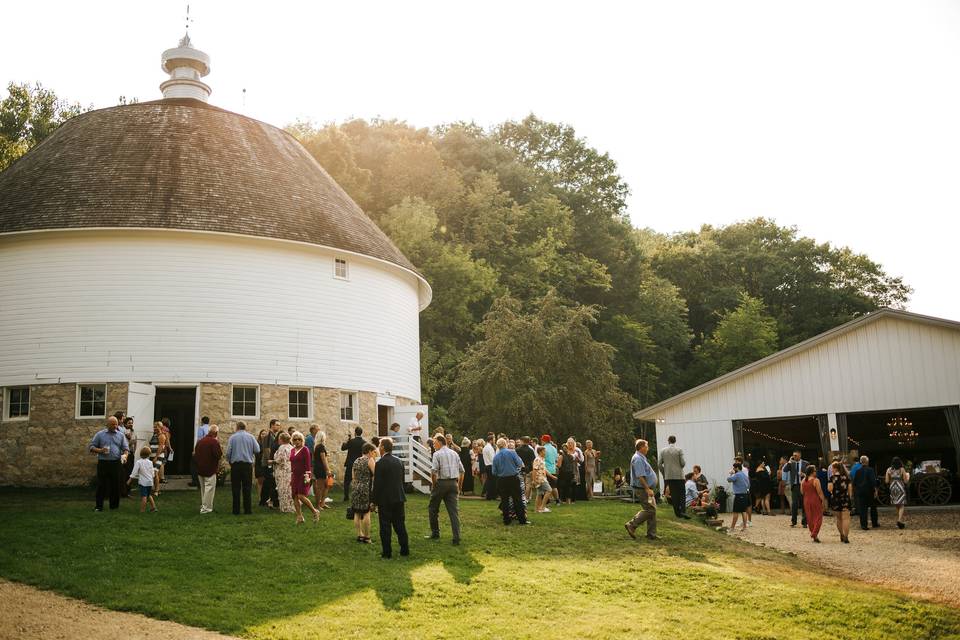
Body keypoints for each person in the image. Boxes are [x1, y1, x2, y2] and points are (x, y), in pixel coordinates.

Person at [372, 438, 409, 558]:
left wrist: (374, 501)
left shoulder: (380, 463)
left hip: (385, 499)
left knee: (385, 526)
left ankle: (387, 552)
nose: (378, 448)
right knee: (400, 525)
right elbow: (402, 481)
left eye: (379, 445)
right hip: (398, 497)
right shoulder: (399, 461)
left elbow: (377, 484)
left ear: (382, 447)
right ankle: (405, 550)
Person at [427, 434, 464, 544]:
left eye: (434, 443)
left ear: (439, 442)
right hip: (453, 483)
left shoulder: (437, 454)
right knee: (454, 512)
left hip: (441, 483)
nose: (433, 445)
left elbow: (433, 472)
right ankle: (456, 537)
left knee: (432, 508)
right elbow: (462, 471)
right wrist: (460, 486)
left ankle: (435, 533)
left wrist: (434, 485)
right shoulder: (454, 453)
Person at [89, 416, 129, 512]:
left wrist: (125, 456)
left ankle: (114, 506)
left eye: (116, 424)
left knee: (115, 485)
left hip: (116, 463)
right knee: (101, 485)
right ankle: (99, 506)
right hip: (103, 463)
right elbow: (91, 447)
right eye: (112, 424)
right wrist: (100, 450)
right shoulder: (100, 434)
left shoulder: (121, 435)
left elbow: (126, 449)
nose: (115, 426)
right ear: (107, 424)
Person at [624, 439, 659, 540]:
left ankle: (651, 534)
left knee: (652, 510)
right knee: (650, 510)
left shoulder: (641, 457)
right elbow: (640, 476)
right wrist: (647, 488)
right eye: (646, 446)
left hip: (646, 488)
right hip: (642, 488)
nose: (648, 448)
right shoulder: (638, 459)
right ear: (642, 447)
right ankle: (632, 524)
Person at [225, 421, 260, 515]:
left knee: (235, 488)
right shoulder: (251, 437)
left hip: (235, 465)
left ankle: (236, 510)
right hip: (247, 465)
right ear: (245, 427)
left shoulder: (232, 437)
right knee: (247, 487)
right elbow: (257, 449)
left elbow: (228, 452)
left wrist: (229, 461)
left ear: (237, 427)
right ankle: (247, 510)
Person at [492, 438, 528, 525]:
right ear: (506, 444)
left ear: (497, 446)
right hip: (513, 478)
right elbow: (519, 463)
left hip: (502, 480)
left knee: (505, 500)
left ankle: (506, 519)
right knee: (517, 499)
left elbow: (494, 472)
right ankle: (522, 520)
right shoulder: (512, 452)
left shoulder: (496, 457)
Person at [289, 431, 320, 524]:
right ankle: (299, 517)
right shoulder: (292, 450)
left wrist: (308, 477)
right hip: (294, 475)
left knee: (301, 496)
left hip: (303, 475)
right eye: (295, 439)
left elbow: (308, 464)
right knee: (294, 496)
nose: (297, 441)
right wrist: (291, 476)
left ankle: (315, 511)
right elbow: (292, 464)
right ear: (292, 441)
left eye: (299, 439)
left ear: (302, 440)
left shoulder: (305, 449)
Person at [351, 443, 377, 543]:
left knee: (357, 512)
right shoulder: (369, 460)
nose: (374, 453)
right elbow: (376, 473)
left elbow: (353, 476)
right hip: (366, 488)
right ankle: (367, 537)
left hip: (356, 487)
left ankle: (359, 535)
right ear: (369, 451)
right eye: (373, 451)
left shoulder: (356, 460)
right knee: (366, 512)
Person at [194, 424, 222, 514]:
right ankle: (206, 508)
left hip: (200, 468)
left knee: (203, 489)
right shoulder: (214, 442)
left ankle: (204, 505)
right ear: (216, 433)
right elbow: (218, 455)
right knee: (209, 489)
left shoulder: (200, 441)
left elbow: (195, 454)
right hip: (210, 469)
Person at [659, 435, 689, 519]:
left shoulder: (663, 451)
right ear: (675, 441)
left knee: (674, 494)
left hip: (669, 476)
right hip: (679, 476)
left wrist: (664, 473)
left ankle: (677, 513)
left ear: (668, 441)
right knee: (682, 494)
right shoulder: (679, 450)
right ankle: (683, 511)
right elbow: (683, 463)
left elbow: (659, 464)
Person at [259, 419, 282, 508]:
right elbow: (267, 450)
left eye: (279, 425)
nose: (278, 426)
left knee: (267, 483)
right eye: (277, 425)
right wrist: (271, 462)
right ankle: (270, 501)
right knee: (271, 483)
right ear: (272, 425)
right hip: (268, 464)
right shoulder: (268, 436)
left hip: (270, 463)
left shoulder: (274, 436)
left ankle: (263, 501)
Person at [828, 460, 853, 543]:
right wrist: (849, 497)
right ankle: (846, 536)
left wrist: (833, 491)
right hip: (845, 499)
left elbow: (830, 489)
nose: (831, 470)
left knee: (839, 519)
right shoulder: (847, 477)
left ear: (835, 469)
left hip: (836, 499)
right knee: (846, 519)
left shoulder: (832, 478)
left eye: (832, 468)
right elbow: (850, 490)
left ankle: (841, 534)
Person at [127, 446, 157, 513]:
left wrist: (129, 480)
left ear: (140, 454)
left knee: (144, 496)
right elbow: (152, 473)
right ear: (149, 454)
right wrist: (152, 478)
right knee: (148, 495)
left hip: (143, 483)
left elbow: (134, 472)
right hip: (150, 482)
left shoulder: (139, 462)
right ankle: (153, 507)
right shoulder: (150, 462)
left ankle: (142, 510)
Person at [801, 464, 826, 543]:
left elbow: (802, 492)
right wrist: (823, 501)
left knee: (810, 517)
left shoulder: (803, 480)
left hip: (806, 500)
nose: (816, 472)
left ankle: (813, 533)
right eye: (815, 470)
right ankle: (814, 533)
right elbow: (819, 492)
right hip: (815, 500)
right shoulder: (816, 480)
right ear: (812, 472)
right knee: (818, 517)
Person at [781, 451, 807, 527]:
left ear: (800, 455)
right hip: (795, 486)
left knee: (804, 504)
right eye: (793, 455)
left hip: (803, 485)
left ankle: (804, 522)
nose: (794, 457)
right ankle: (794, 521)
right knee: (794, 504)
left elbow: (810, 474)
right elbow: (785, 470)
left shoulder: (805, 463)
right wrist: (789, 461)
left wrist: (804, 474)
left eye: (795, 455)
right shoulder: (791, 463)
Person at [853, 455, 879, 530]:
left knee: (863, 509)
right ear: (867, 462)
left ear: (861, 462)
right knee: (873, 508)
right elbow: (873, 481)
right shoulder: (870, 470)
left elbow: (854, 483)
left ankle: (864, 525)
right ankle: (874, 523)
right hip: (869, 492)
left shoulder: (858, 471)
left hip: (861, 492)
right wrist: (876, 490)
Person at [341, 426, 366, 502]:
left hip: (350, 463)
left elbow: (343, 448)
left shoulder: (351, 441)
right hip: (359, 463)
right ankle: (359, 496)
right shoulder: (364, 442)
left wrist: (347, 440)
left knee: (347, 481)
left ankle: (346, 496)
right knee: (359, 480)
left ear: (355, 433)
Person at [885, 457, 910, 529]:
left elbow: (886, 481)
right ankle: (899, 520)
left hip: (892, 487)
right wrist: (908, 477)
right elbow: (905, 481)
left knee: (896, 504)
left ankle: (899, 521)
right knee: (901, 505)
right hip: (900, 487)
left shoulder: (889, 470)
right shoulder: (902, 469)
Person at [274, 432, 295, 513]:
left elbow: (280, 460)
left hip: (283, 471)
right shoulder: (291, 447)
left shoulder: (282, 447)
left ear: (281, 439)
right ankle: (292, 506)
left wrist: (272, 461)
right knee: (290, 489)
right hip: (290, 470)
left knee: (283, 489)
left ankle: (285, 508)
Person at [727, 462, 750, 532]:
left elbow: (728, 479)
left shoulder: (737, 475)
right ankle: (745, 527)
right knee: (744, 511)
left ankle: (732, 528)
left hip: (739, 495)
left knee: (735, 512)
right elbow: (748, 485)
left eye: (734, 468)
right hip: (745, 494)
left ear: (737, 468)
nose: (733, 469)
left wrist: (731, 473)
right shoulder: (744, 475)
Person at [189, 416, 211, 487]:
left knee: (194, 464)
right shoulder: (210, 428)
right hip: (209, 450)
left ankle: (195, 481)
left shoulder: (201, 428)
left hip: (202, 449)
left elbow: (199, 440)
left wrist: (195, 450)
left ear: (202, 422)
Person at [312, 431, 331, 510]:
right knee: (320, 487)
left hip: (319, 467)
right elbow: (323, 459)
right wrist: (327, 470)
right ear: (323, 437)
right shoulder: (320, 447)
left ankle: (322, 503)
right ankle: (317, 505)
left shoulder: (318, 446)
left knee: (327, 485)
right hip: (321, 468)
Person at [557, 439, 579, 504]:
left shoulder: (561, 456)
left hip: (563, 473)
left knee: (561, 487)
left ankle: (562, 500)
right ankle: (568, 501)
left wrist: (556, 464)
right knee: (569, 487)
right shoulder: (571, 456)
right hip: (570, 473)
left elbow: (559, 465)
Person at [532, 446, 553, 513]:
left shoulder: (542, 459)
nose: (545, 452)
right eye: (544, 451)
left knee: (539, 494)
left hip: (542, 478)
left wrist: (551, 476)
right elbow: (534, 470)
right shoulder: (537, 459)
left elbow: (545, 469)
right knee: (549, 490)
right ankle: (542, 507)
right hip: (540, 479)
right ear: (540, 452)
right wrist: (534, 480)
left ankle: (536, 509)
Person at [516, 436, 536, 503]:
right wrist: (533, 470)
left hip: (519, 468)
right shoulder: (530, 450)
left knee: (519, 484)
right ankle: (526, 499)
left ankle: (519, 497)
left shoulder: (517, 449)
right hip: (528, 469)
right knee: (528, 484)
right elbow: (533, 461)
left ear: (522, 441)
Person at [121, 416, 137, 497]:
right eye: (129, 423)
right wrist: (131, 440)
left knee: (130, 473)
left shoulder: (132, 431)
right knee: (126, 473)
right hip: (126, 454)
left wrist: (134, 451)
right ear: (125, 424)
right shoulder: (125, 431)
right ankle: (124, 492)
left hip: (131, 454)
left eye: (131, 423)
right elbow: (128, 443)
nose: (131, 424)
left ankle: (128, 490)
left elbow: (135, 442)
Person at [481, 434, 497, 500]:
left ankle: (488, 494)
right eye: (494, 440)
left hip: (487, 465)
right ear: (491, 440)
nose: (494, 441)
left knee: (490, 480)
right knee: (492, 481)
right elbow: (492, 458)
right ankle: (490, 495)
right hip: (490, 465)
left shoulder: (485, 447)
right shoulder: (489, 448)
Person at [255, 429, 268, 497]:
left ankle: (265, 497)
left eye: (265, 434)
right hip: (259, 465)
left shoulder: (268, 444)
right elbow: (257, 454)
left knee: (265, 482)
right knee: (260, 481)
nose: (264, 435)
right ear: (260, 435)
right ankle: (260, 497)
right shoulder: (258, 443)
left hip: (266, 465)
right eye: (262, 434)